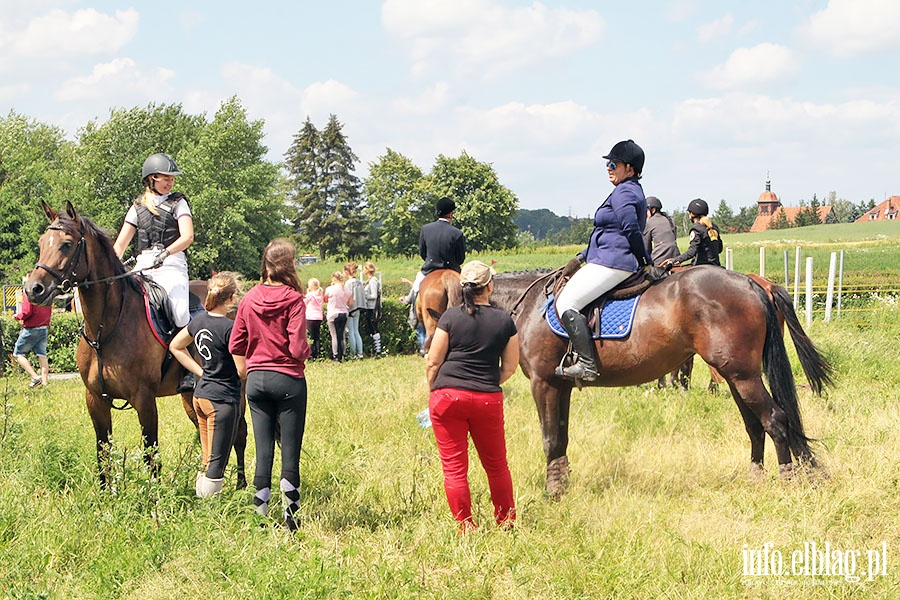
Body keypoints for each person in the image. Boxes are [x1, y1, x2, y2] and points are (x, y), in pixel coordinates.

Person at [426, 260, 519, 534]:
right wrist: (487, 381)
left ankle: (465, 526)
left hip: (447, 397)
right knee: (497, 466)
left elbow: (433, 361)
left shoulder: (450, 317)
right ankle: (506, 521)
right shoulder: (505, 321)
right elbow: (511, 367)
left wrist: (434, 388)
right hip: (487, 399)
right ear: (489, 286)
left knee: (454, 468)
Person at [228, 239, 311, 531]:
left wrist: (246, 371)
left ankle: (260, 518)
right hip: (288, 379)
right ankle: (291, 520)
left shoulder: (249, 298)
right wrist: (307, 353)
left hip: (256, 380)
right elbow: (298, 347)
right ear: (289, 264)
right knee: (290, 451)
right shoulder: (293, 299)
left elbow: (236, 342)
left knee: (262, 452)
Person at [556, 139, 650, 382]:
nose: (608, 167)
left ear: (630, 169)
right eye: (608, 164)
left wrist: (644, 260)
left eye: (613, 163)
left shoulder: (625, 191)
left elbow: (630, 229)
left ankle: (587, 364)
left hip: (614, 262)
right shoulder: (623, 190)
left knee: (566, 301)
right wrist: (581, 257)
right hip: (604, 257)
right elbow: (609, 232)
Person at [113, 153, 195, 391]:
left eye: (171, 178)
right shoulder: (137, 207)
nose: (170, 183)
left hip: (172, 263)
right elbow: (120, 245)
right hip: (144, 265)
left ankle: (188, 370)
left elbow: (187, 236)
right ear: (151, 179)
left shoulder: (179, 202)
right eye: (164, 178)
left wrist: (166, 253)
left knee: (180, 312)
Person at [169, 272, 242, 497]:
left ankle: (202, 502)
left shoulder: (198, 320)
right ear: (231, 299)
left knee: (206, 458)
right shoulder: (230, 329)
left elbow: (175, 346)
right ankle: (210, 512)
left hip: (200, 396)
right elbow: (242, 370)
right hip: (221, 400)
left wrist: (200, 371)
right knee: (217, 464)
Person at [409, 197, 466, 301]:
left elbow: (422, 252)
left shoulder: (425, 229)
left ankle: (412, 315)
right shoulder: (457, 233)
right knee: (468, 294)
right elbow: (460, 258)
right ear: (451, 214)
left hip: (429, 269)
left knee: (415, 290)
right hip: (452, 270)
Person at [663, 198, 724, 268]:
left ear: (692, 214)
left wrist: (674, 260)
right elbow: (719, 249)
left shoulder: (696, 229)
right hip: (716, 266)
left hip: (701, 267)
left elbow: (692, 252)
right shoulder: (714, 227)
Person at [13, 293, 52, 388]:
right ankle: (44, 382)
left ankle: (34, 377)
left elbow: (27, 312)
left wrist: (18, 317)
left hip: (31, 329)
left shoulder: (29, 294)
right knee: (42, 355)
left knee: (18, 354)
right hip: (44, 328)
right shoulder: (46, 294)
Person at [643, 195, 680, 265]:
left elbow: (646, 248)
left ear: (653, 210)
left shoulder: (649, 223)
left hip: (660, 258)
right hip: (676, 257)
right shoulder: (671, 220)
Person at [324, 272, 351, 362]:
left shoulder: (330, 289)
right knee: (342, 335)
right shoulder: (346, 289)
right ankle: (343, 354)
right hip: (344, 313)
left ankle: (335, 355)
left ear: (334, 279)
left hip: (333, 313)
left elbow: (325, 299)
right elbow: (350, 303)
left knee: (334, 336)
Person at [343, 262, 366, 359]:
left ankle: (352, 354)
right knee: (356, 331)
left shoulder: (348, 283)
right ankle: (360, 353)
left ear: (346, 272)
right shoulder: (359, 282)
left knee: (351, 331)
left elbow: (347, 296)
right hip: (359, 307)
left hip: (351, 308)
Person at [362, 262, 383, 355]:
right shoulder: (370, 280)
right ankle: (375, 348)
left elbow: (374, 295)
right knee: (371, 327)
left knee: (373, 327)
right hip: (370, 307)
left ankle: (377, 349)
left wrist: (365, 296)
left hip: (372, 307)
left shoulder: (373, 281)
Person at [304, 278, 324, 360]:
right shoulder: (320, 294)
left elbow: (304, 302)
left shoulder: (309, 295)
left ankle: (311, 354)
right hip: (318, 316)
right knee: (317, 336)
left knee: (310, 336)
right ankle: (318, 353)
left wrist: (307, 292)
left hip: (310, 316)